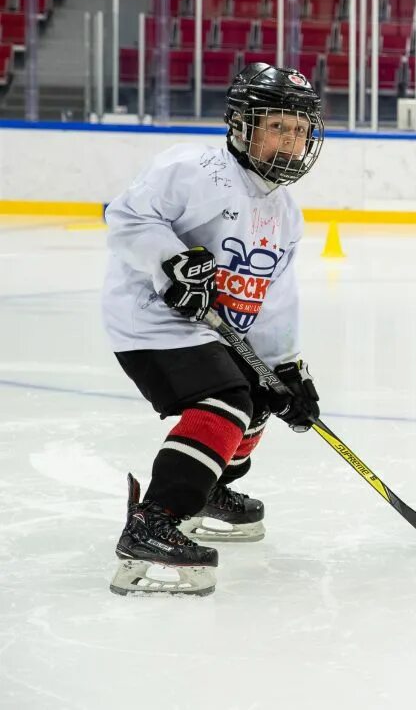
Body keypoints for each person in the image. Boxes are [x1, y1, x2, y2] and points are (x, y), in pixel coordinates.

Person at [103, 63, 325, 596]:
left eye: (298, 130)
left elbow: (271, 303)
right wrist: (173, 263)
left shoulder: (286, 215)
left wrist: (287, 369)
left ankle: (208, 488)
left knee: (259, 392)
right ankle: (153, 520)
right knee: (226, 399)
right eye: (277, 126)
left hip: (212, 329)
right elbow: (127, 218)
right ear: (242, 126)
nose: (289, 141)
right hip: (151, 320)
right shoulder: (193, 169)